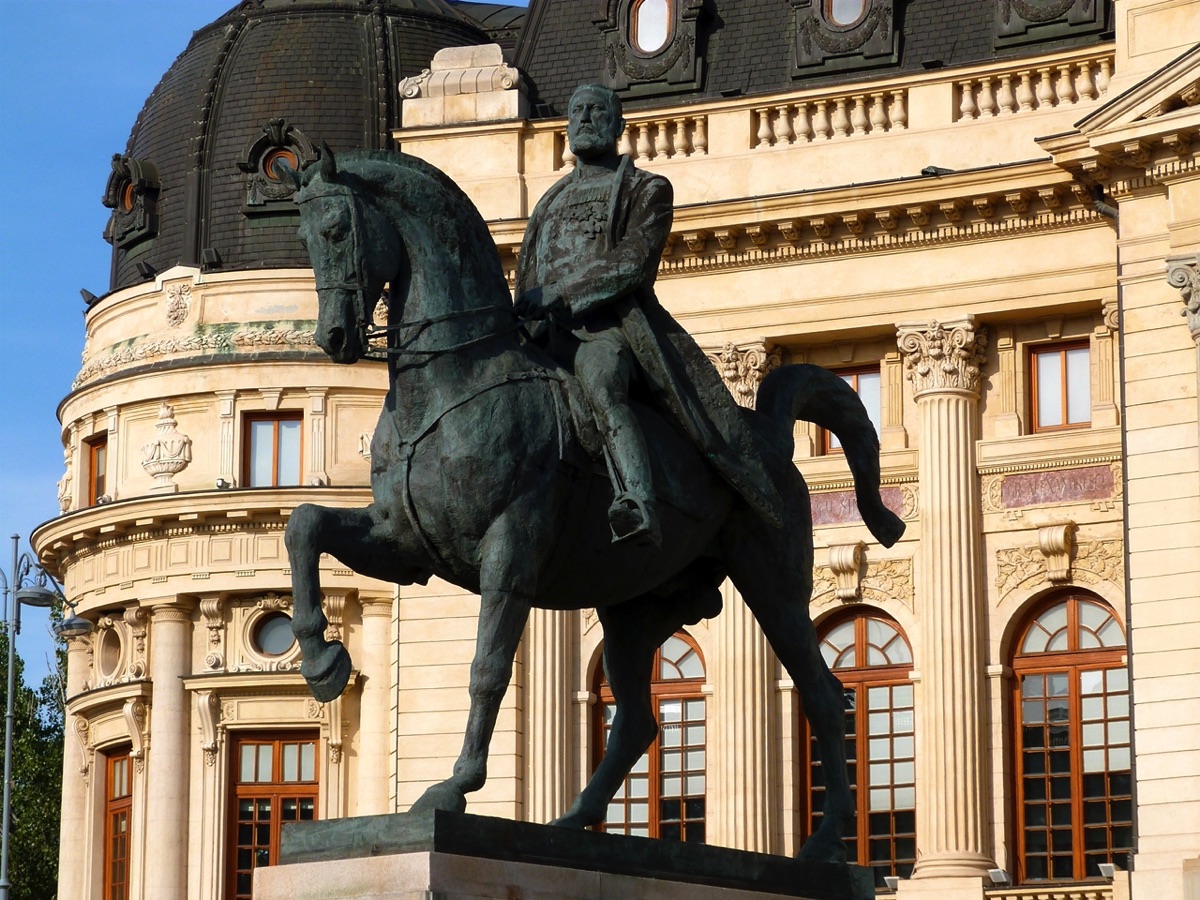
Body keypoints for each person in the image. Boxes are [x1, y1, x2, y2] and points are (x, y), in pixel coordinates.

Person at [515, 84, 782, 546]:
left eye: (596, 110)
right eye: (576, 111)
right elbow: (526, 274)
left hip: (606, 330)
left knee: (601, 383)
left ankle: (636, 500)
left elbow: (632, 263)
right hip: (544, 333)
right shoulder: (549, 201)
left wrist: (561, 294)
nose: (583, 118)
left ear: (619, 125)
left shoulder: (646, 188)